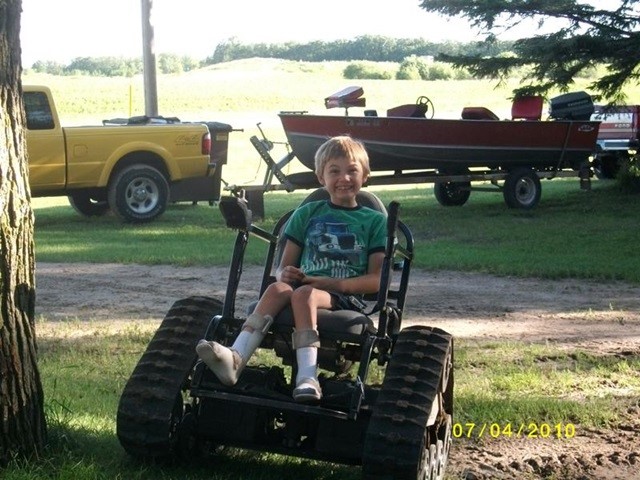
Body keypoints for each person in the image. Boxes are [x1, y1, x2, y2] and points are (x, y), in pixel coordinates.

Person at [196, 135, 387, 402]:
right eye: (335, 171)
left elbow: (376, 281)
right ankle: (236, 358)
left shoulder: (375, 221)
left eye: (352, 170)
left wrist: (329, 284)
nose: (344, 178)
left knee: (304, 294)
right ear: (321, 177)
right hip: (304, 287)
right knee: (277, 288)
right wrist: (284, 274)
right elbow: (284, 267)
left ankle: (307, 377)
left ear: (364, 175)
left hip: (345, 296)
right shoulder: (307, 213)